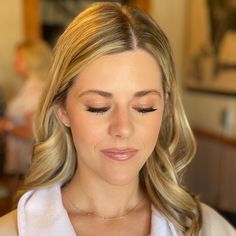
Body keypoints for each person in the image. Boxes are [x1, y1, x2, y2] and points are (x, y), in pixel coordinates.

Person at [0, 2, 235, 235]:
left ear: (165, 106)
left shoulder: (206, 229)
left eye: (144, 108)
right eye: (98, 107)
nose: (123, 128)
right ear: (62, 108)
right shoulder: (14, 230)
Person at [0, 40, 51, 175]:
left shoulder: (35, 91)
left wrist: (6, 126)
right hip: (22, 161)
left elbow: (32, 133)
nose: (14, 62)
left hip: (29, 164)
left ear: (33, 60)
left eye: (19, 58)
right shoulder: (31, 87)